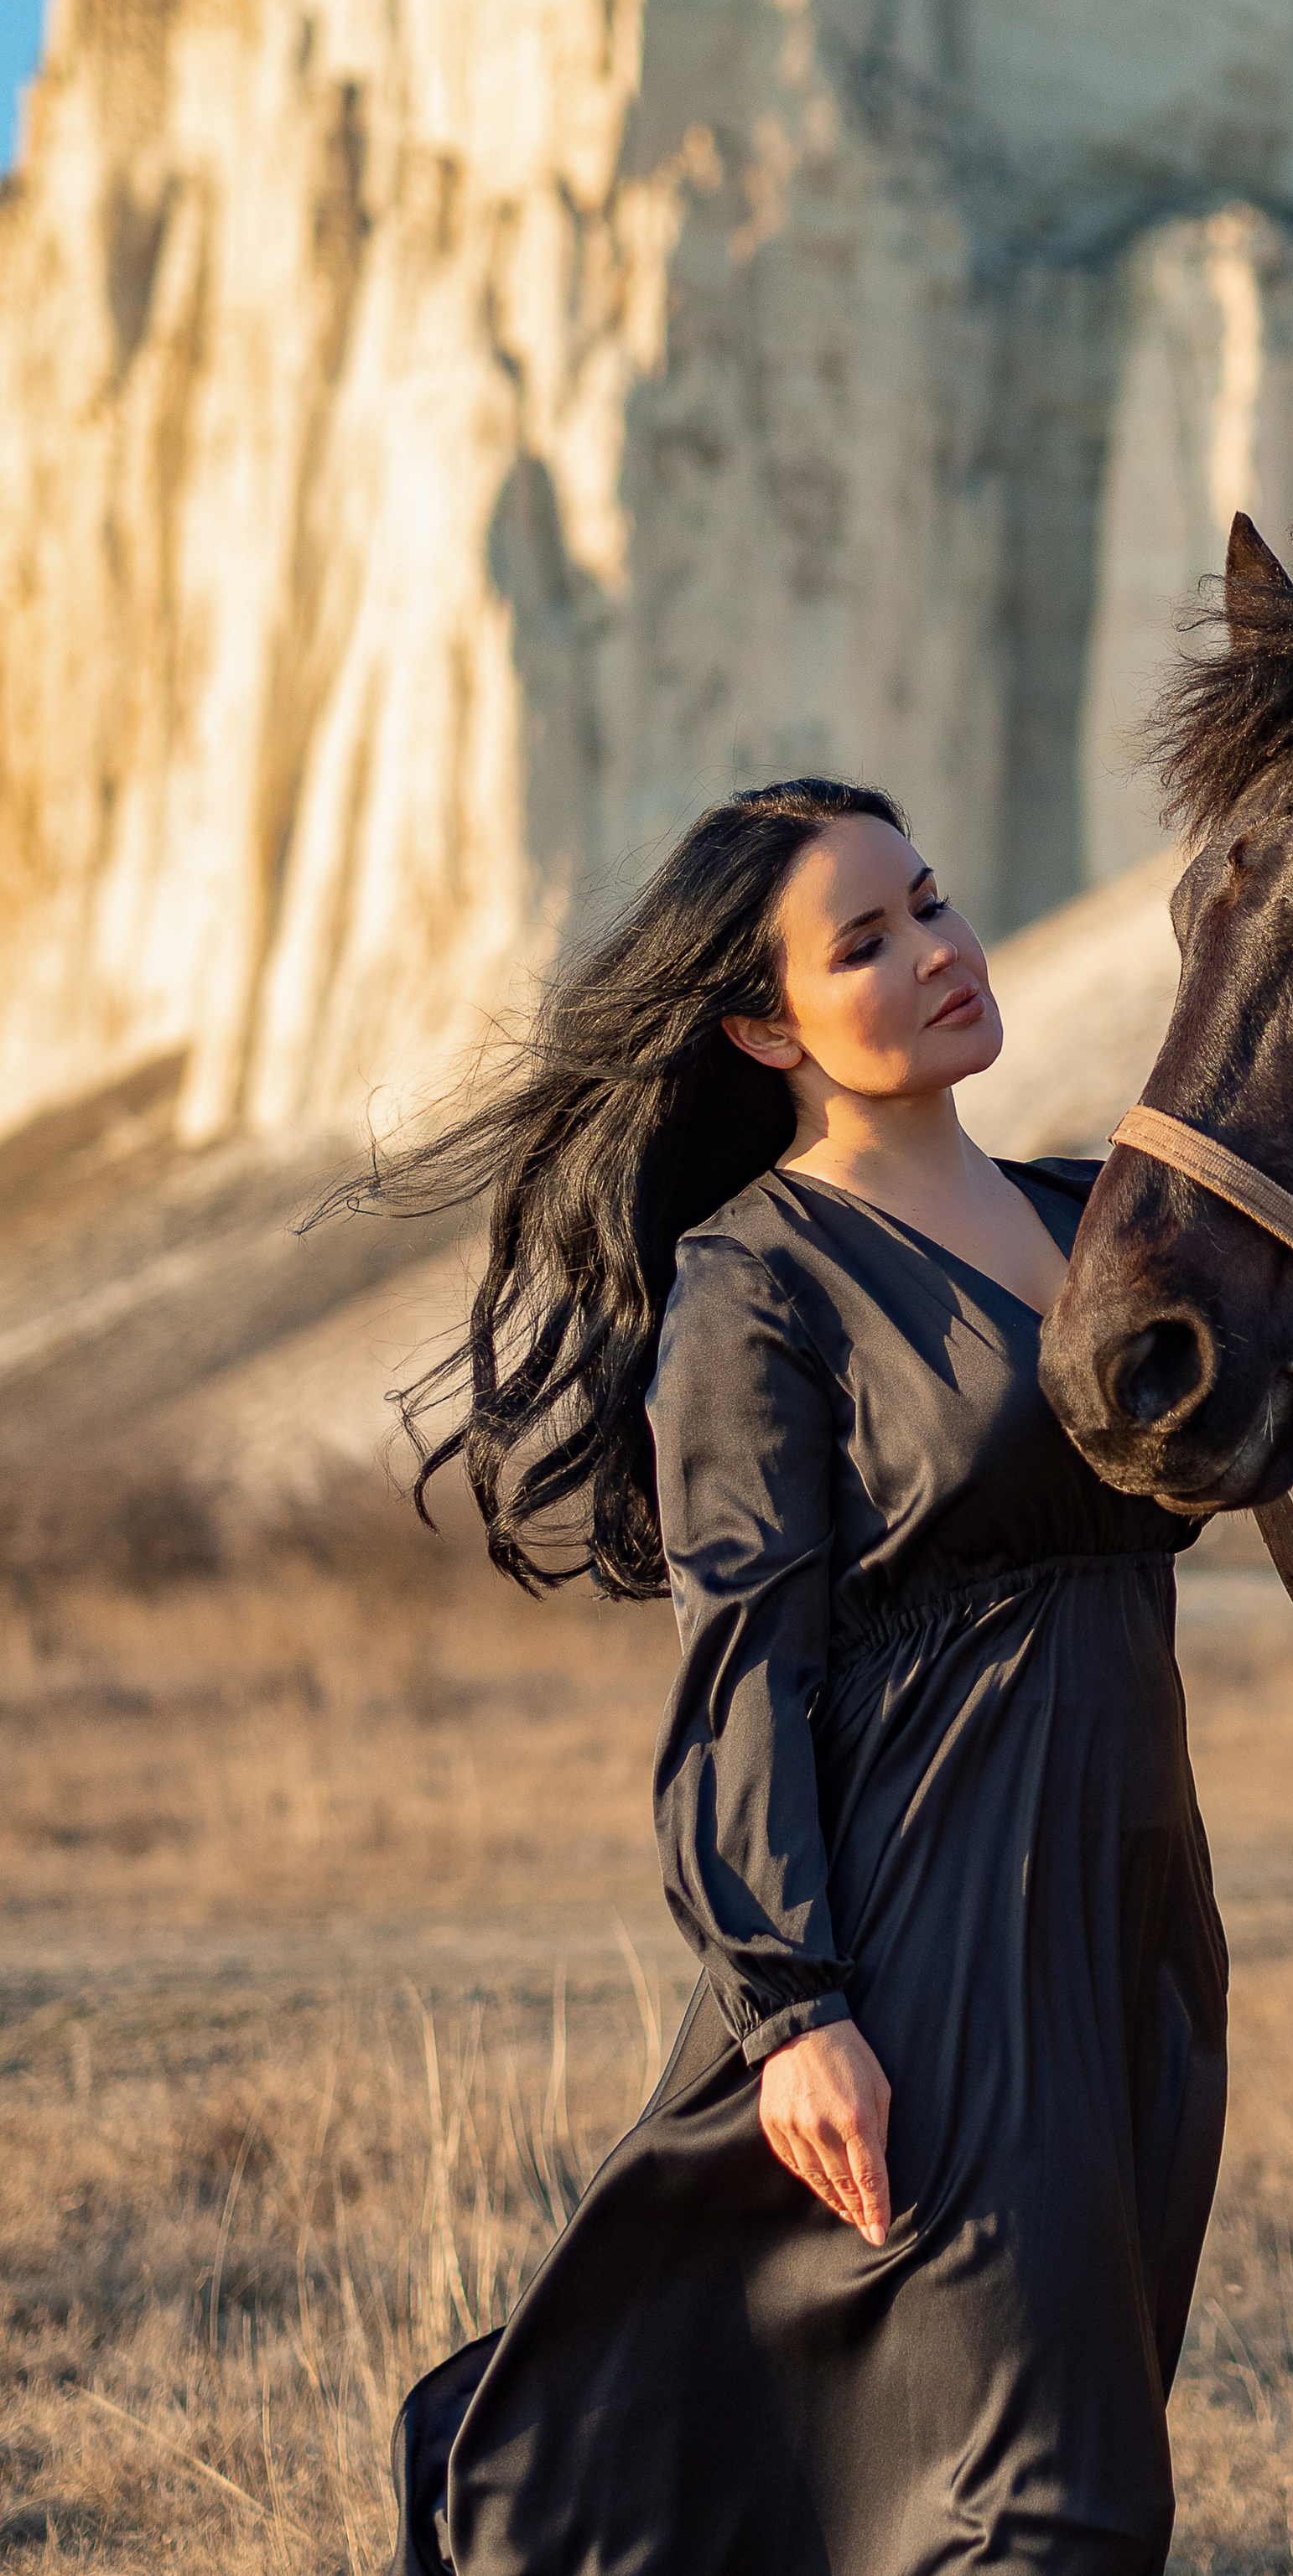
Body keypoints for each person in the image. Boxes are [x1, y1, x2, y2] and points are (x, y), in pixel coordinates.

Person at [367, 779, 1228, 2576]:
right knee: (1046, 2512)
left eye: (931, 903)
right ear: (763, 1025)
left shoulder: (1100, 1218)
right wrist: (795, 2007)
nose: (937, 953)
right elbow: (741, 1669)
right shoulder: (756, 1284)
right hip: (932, 1940)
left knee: (1029, 2451)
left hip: (1135, 1917)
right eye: (866, 941)